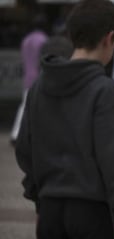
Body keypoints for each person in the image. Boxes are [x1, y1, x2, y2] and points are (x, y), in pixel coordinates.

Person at [14, 0, 114, 239]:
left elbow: (25, 150)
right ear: (109, 38)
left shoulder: (39, 87)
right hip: (93, 213)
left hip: (50, 210)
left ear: (72, 35)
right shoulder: (105, 91)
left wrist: (40, 200)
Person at [10, 14, 48, 145]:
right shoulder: (43, 40)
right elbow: (42, 61)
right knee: (33, 107)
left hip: (27, 76)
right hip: (38, 78)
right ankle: (17, 134)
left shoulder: (26, 40)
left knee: (25, 105)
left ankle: (19, 134)